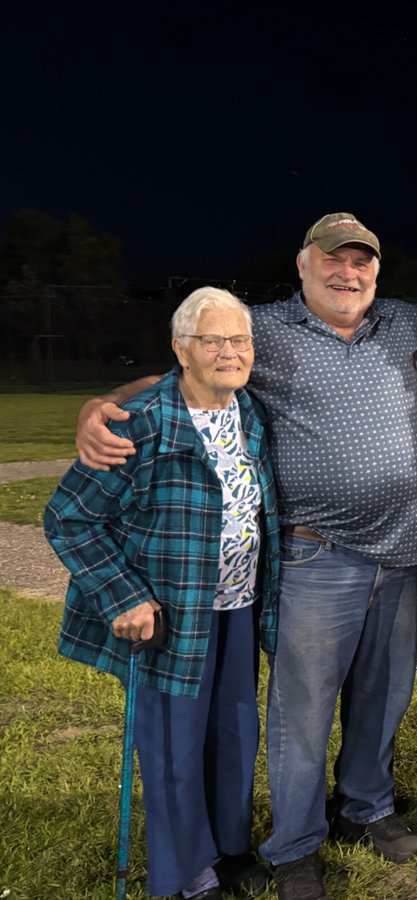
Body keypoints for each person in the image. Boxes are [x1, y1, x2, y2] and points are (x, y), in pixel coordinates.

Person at [74, 214, 417, 900]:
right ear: (303, 264)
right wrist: (102, 402)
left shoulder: (405, 324)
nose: (348, 274)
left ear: (377, 271)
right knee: (303, 708)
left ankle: (366, 807)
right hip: (316, 554)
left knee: (383, 696)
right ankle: (294, 844)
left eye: (362, 263)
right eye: (334, 261)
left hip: (400, 547)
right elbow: (186, 372)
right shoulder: (263, 330)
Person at [46, 287, 280, 900]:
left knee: (234, 731)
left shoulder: (248, 412)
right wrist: (121, 595)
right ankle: (185, 874)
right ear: (182, 349)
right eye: (214, 341)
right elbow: (67, 517)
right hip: (169, 616)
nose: (230, 352)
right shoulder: (143, 421)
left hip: (236, 605)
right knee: (174, 745)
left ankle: (228, 847)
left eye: (240, 340)